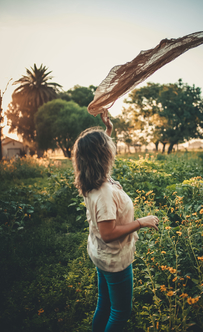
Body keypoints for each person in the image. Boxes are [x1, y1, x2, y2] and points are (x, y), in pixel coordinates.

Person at [72, 110, 159, 332]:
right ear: (102, 155)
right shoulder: (103, 193)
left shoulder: (92, 178)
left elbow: (103, 148)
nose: (112, 149)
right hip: (114, 259)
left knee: (105, 302)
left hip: (100, 254)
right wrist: (141, 221)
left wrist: (108, 129)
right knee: (120, 312)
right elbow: (108, 233)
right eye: (107, 147)